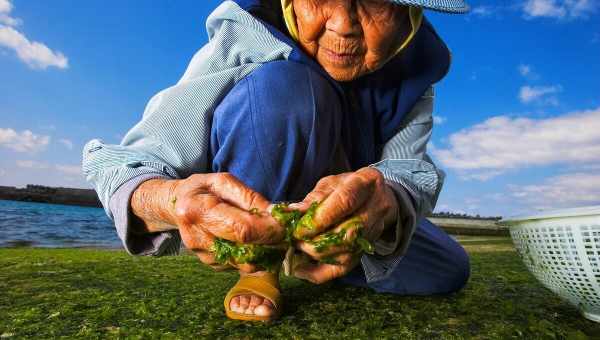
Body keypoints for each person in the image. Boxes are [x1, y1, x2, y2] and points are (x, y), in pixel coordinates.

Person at [82, 0, 471, 322]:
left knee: (447, 268)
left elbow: (405, 168)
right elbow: (126, 165)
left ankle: (318, 255)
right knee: (284, 89)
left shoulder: (415, 68)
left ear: (410, 16)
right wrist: (169, 199)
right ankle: (260, 267)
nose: (342, 25)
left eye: (374, 2)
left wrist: (385, 205)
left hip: (341, 213)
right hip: (258, 196)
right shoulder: (245, 34)